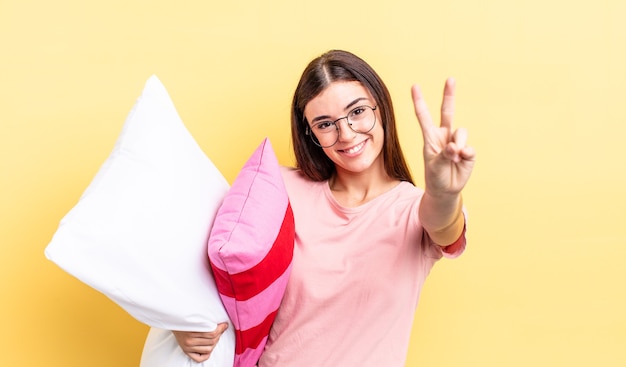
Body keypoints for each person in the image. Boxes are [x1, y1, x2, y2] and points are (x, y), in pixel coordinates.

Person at [173, 49, 476, 366]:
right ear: (310, 133)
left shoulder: (414, 210)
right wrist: (184, 324)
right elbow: (220, 269)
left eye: (357, 111)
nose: (346, 134)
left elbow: (443, 225)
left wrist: (443, 193)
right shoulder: (283, 188)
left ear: (381, 107)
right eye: (325, 124)